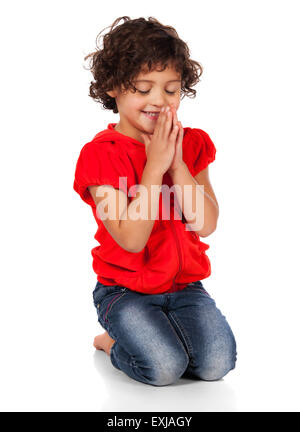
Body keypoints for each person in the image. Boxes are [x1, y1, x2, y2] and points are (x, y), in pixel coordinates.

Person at [73, 16, 237, 386]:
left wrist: (177, 164)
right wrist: (154, 167)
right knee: (163, 369)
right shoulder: (102, 156)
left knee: (216, 366)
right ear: (114, 87)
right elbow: (131, 239)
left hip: (184, 288)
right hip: (124, 291)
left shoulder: (192, 144)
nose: (158, 101)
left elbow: (205, 223)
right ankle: (112, 342)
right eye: (143, 88)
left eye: (170, 89)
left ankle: (167, 334)